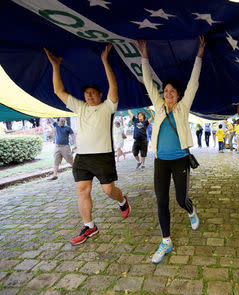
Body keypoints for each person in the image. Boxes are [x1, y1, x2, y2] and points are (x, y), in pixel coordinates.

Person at [44, 44, 130, 246]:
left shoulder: (108, 107)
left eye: (93, 92)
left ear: (100, 95)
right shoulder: (80, 107)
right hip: (82, 157)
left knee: (109, 191)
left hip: (102, 157)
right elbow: (58, 90)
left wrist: (105, 62)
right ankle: (89, 225)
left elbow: (114, 87)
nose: (89, 95)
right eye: (86, 93)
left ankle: (122, 201)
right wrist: (56, 66)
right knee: (82, 190)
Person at [136, 36, 205, 264]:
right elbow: (148, 83)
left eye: (172, 90)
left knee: (180, 199)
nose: (168, 93)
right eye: (165, 90)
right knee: (161, 201)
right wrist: (144, 57)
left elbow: (194, 83)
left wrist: (199, 55)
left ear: (178, 93)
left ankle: (191, 210)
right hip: (160, 161)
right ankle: (166, 241)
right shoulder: (159, 106)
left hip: (180, 160)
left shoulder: (183, 108)